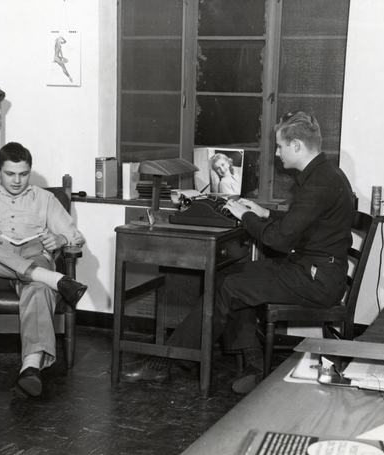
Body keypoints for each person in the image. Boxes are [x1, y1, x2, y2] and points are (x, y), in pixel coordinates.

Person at [121, 111, 354, 393]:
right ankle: (253, 362)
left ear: (296, 146)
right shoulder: (324, 174)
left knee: (230, 286)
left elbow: (279, 240)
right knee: (232, 274)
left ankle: (166, 362)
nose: (277, 153)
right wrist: (262, 212)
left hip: (315, 280)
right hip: (313, 270)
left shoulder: (318, 183)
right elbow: (301, 225)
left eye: (280, 146)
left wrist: (244, 216)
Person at [0, 142, 88, 398]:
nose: (17, 180)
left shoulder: (45, 198)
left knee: (38, 286)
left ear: (29, 171)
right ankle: (51, 277)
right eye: (10, 174)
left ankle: (30, 367)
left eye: (23, 174)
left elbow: (74, 235)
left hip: (31, 255)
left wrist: (60, 240)